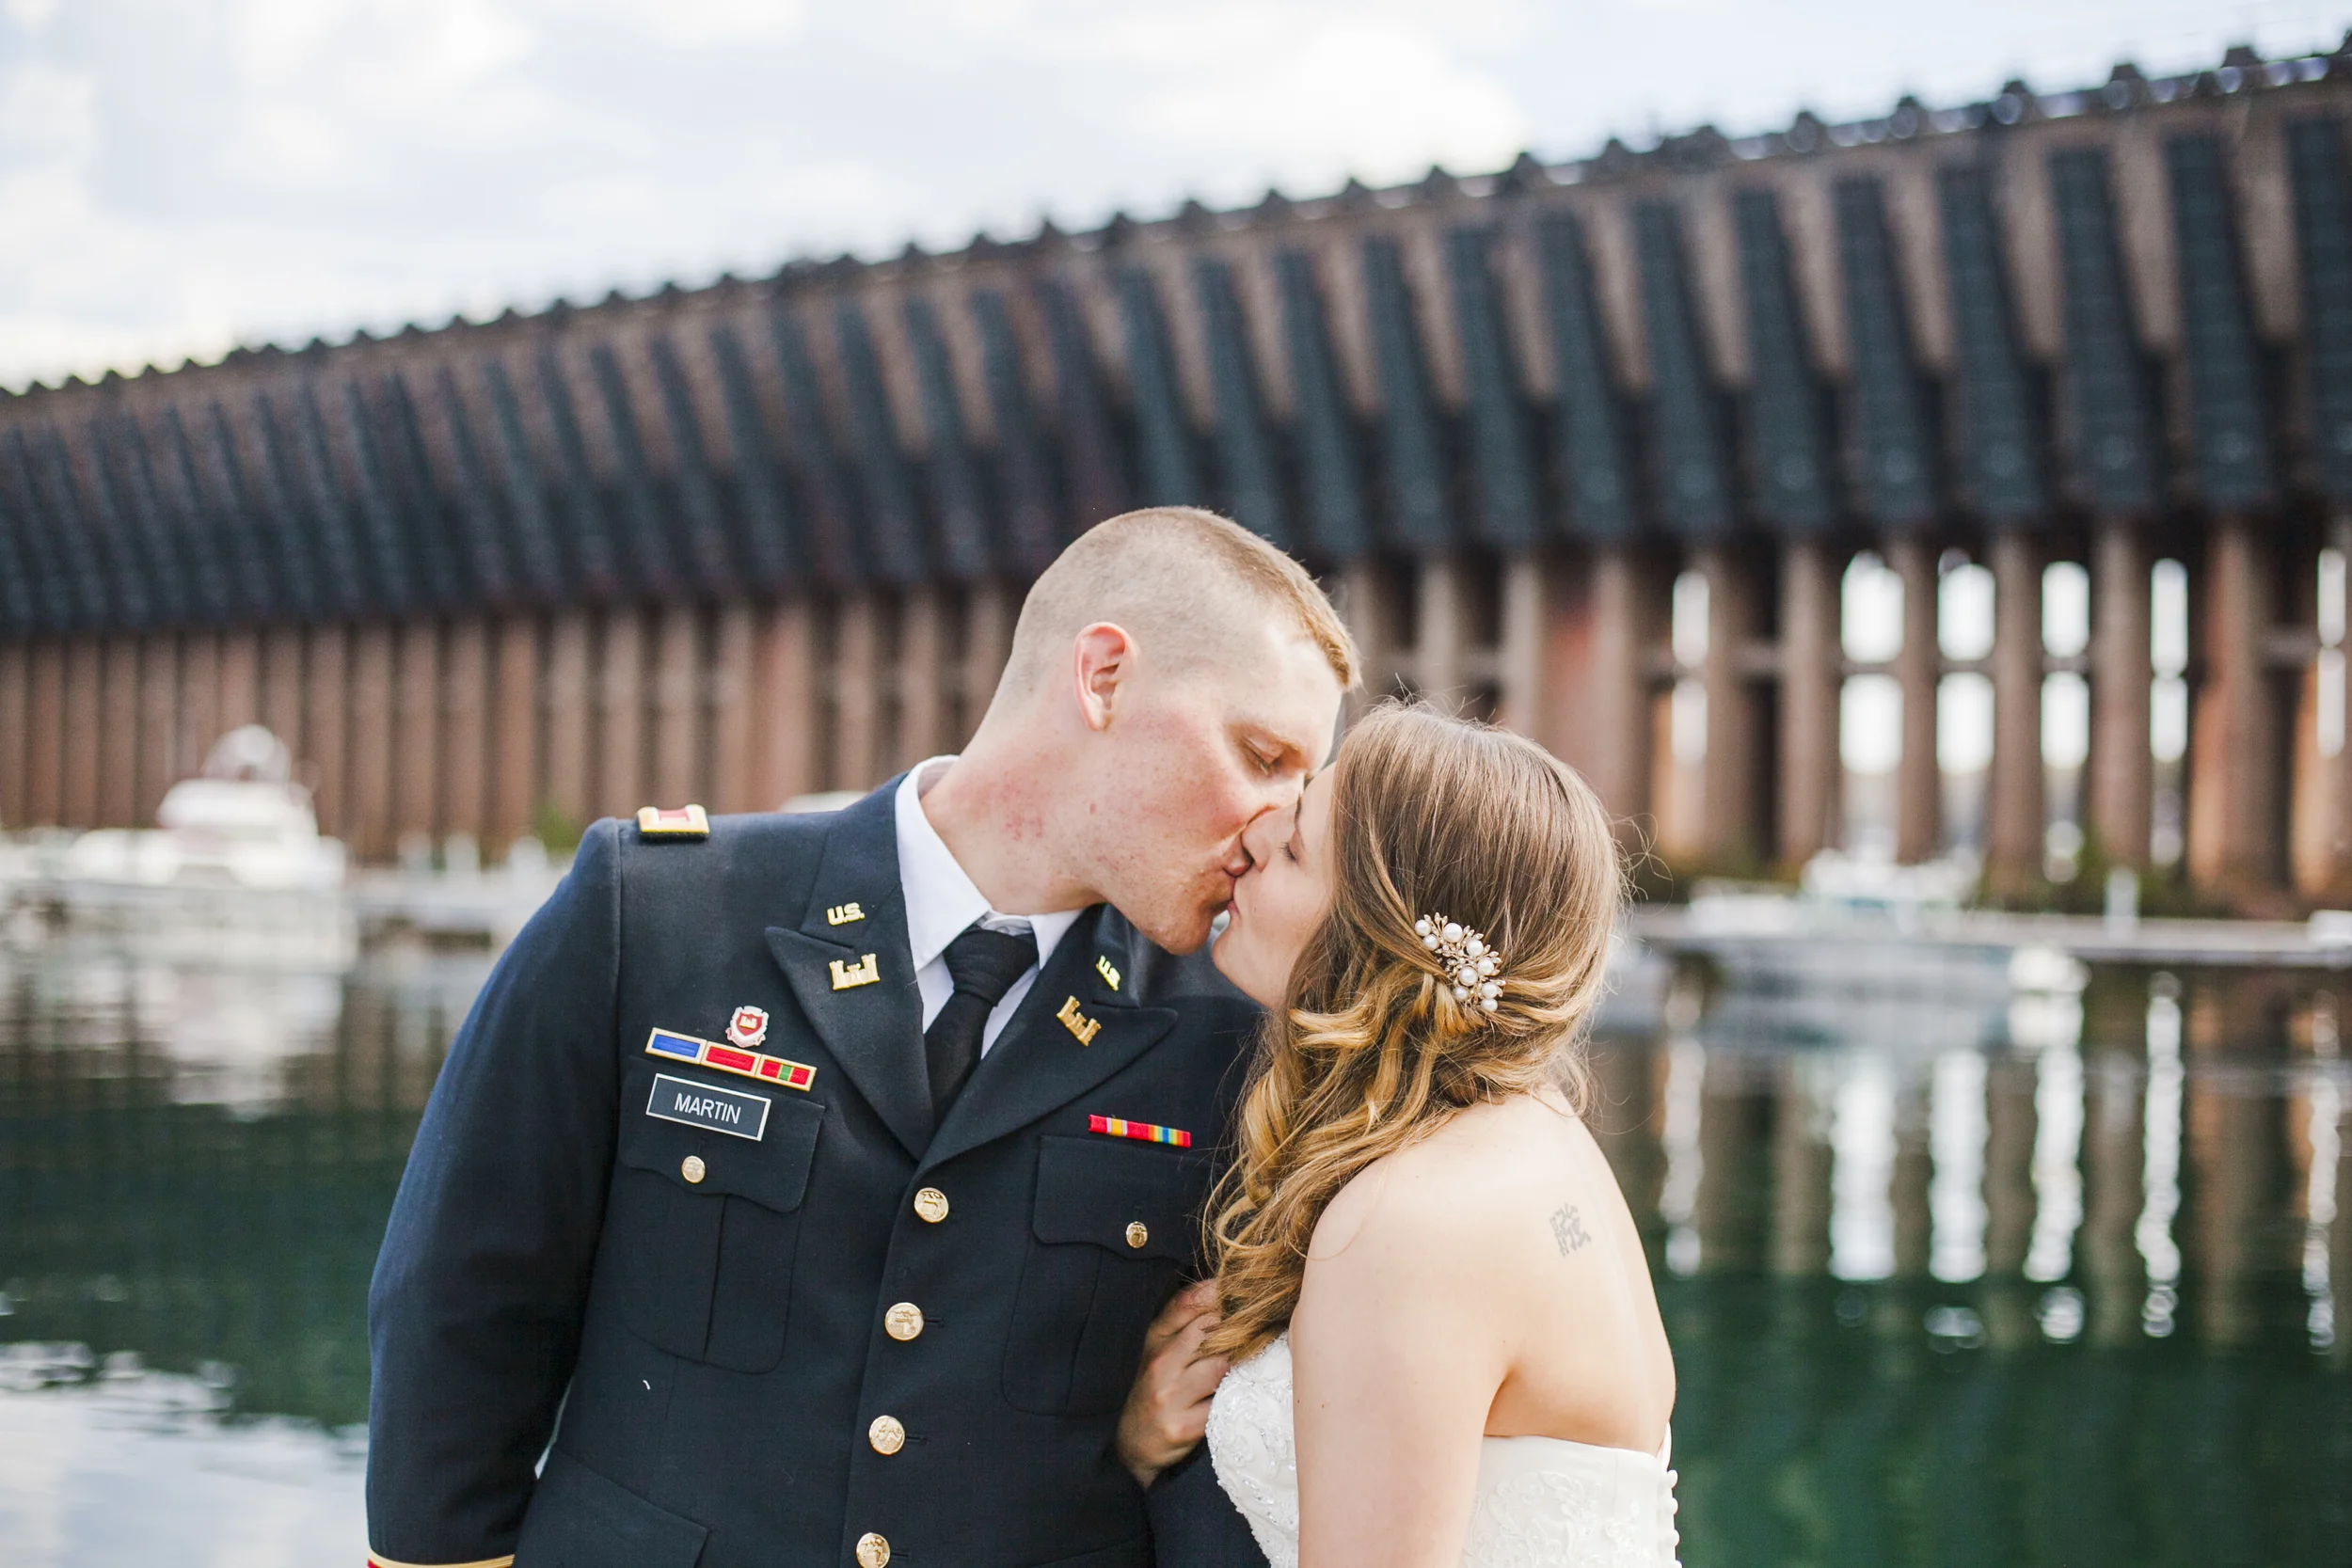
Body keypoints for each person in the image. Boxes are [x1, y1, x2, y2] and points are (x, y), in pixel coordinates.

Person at [364, 506, 1346, 1568]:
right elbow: (461, 1304)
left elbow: (1258, 1433)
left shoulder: (1233, 1037)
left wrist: (1138, 1440)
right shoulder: (656, 912)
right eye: (1261, 754)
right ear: (1102, 677)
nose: (1277, 820)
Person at [1193, 703, 1680, 1568]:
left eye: (1297, 848)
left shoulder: (1411, 1219)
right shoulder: (1538, 1128)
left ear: (1376, 942)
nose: (1255, 836)